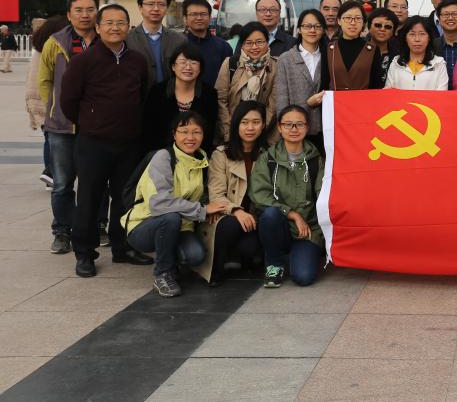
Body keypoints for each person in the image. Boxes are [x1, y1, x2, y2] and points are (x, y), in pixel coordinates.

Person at [60, 3, 152, 277]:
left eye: (120, 22)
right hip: (93, 143)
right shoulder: (83, 62)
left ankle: (123, 246)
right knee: (89, 199)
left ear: (128, 27)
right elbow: (68, 101)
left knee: (125, 198)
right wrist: (91, 122)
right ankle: (85, 253)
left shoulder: (137, 61)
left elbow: (142, 96)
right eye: (109, 23)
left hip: (128, 142)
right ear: (98, 28)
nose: (115, 27)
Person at [123, 111, 225, 297]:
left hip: (182, 226)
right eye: (184, 132)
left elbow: (202, 195)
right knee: (170, 217)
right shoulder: (163, 157)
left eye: (196, 132)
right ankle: (163, 274)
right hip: (144, 225)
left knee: (195, 256)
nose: (190, 137)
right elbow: (159, 204)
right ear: (174, 134)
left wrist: (212, 208)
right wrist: (202, 210)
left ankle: (171, 258)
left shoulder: (202, 160)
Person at [38, 0, 99, 253]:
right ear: (69, 14)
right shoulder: (56, 42)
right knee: (62, 184)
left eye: (90, 9)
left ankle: (96, 227)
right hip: (62, 127)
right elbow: (45, 80)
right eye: (79, 10)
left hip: (97, 125)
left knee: (95, 182)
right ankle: (62, 231)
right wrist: (55, 108)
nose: (85, 15)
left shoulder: (105, 40)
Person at [250, 104, 325, 287]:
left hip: (307, 229)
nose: (294, 129)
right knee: (270, 214)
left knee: (304, 277)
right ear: (279, 127)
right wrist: (292, 214)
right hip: (280, 225)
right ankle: (274, 263)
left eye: (299, 124)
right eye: (288, 124)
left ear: (307, 127)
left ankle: (298, 255)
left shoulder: (316, 158)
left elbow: (324, 195)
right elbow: (260, 196)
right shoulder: (267, 158)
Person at [198, 100, 269, 286]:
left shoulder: (266, 154)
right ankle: (216, 268)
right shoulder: (221, 154)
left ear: (263, 125)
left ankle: (240, 256)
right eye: (244, 122)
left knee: (249, 248)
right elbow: (216, 195)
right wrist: (236, 210)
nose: (250, 128)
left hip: (253, 219)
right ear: (236, 124)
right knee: (231, 224)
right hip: (226, 216)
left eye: (256, 122)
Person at [143, 44, 218, 155]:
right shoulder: (157, 92)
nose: (188, 67)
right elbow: (148, 130)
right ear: (173, 66)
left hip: (197, 155)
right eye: (183, 62)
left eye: (193, 63)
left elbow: (210, 131)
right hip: (162, 155)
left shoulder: (209, 94)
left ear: (200, 68)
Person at [275, 10, 331, 154]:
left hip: (326, 128)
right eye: (307, 26)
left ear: (323, 30)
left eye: (317, 26)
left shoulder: (330, 57)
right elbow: (282, 100)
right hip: (296, 129)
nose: (312, 30)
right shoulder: (286, 59)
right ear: (299, 29)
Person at [216, 22, 279, 143]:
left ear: (267, 42)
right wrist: (230, 133)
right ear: (242, 45)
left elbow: (274, 105)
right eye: (249, 43)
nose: (254, 47)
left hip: (265, 136)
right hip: (233, 134)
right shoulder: (230, 64)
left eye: (260, 42)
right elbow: (221, 101)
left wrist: (256, 131)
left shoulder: (277, 66)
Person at [28, 16, 66, 189]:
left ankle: (50, 174)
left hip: (37, 100)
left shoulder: (38, 50)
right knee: (52, 140)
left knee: (48, 139)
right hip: (47, 101)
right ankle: (50, 172)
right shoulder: (51, 49)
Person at [126, 0, 186, 90]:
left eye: (161, 4)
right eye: (150, 4)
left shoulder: (179, 40)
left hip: (170, 95)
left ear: (167, 8)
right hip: (138, 96)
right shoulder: (127, 39)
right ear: (140, 7)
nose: (156, 8)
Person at [325, 1, 380, 91]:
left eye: (358, 18)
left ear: (363, 22)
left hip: (364, 99)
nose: (353, 23)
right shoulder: (329, 49)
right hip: (336, 99)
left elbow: (376, 85)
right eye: (348, 18)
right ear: (339, 21)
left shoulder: (373, 50)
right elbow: (324, 82)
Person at [385, 16, 449, 90]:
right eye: (412, 34)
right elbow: (388, 92)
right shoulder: (396, 63)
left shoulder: (439, 64)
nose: (417, 39)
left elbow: (442, 94)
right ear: (405, 38)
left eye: (422, 34)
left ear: (429, 37)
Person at [182, 0, 233, 88]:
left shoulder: (223, 47)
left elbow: (229, 78)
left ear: (210, 17)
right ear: (185, 19)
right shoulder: (177, 44)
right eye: (193, 14)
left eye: (203, 14)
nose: (199, 18)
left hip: (214, 96)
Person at [367, 8, 400, 89]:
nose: (382, 29)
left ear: (393, 31)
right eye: (378, 25)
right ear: (369, 27)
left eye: (388, 27)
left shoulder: (398, 56)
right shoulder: (359, 50)